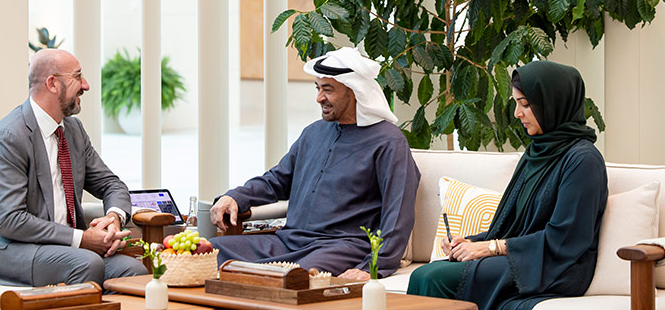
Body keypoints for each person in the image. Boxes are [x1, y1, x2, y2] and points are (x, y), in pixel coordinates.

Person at [407, 60, 608, 309]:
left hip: (554, 266)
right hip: (521, 258)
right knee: (430, 272)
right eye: (516, 104)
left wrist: (489, 247)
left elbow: (566, 240)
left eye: (525, 104)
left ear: (553, 102)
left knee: (429, 277)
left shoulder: (583, 160)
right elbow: (515, 225)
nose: (517, 114)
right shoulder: (536, 151)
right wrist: (471, 242)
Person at [209, 47, 420, 280]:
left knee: (294, 277)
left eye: (328, 90)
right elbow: (276, 181)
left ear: (354, 91)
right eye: (318, 88)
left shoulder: (389, 142)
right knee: (210, 252)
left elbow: (398, 214)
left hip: (341, 248)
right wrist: (236, 197)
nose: (319, 98)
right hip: (288, 241)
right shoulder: (313, 132)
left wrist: (372, 267)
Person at [0, 49, 148, 287]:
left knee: (133, 270)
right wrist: (82, 239)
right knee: (86, 263)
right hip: (6, 249)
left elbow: (111, 184)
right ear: (52, 83)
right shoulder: (10, 136)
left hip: (61, 249)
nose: (86, 85)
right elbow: (11, 220)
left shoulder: (73, 130)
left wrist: (114, 218)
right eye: (77, 76)